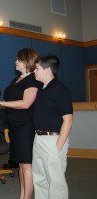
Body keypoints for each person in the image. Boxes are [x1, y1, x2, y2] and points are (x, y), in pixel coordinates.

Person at [0, 48, 40, 199]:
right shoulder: (17, 79)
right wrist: (0, 105)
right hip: (15, 127)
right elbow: (12, 101)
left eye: (18, 59)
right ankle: (23, 195)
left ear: (26, 61)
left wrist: (2, 102)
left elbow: (26, 104)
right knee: (21, 165)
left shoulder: (32, 79)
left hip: (26, 127)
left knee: (27, 165)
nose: (15, 62)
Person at [32, 54, 73, 199]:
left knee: (56, 183)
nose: (34, 71)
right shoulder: (42, 89)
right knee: (40, 179)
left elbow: (68, 120)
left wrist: (58, 147)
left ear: (47, 70)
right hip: (39, 139)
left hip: (53, 141)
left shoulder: (60, 89)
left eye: (36, 68)